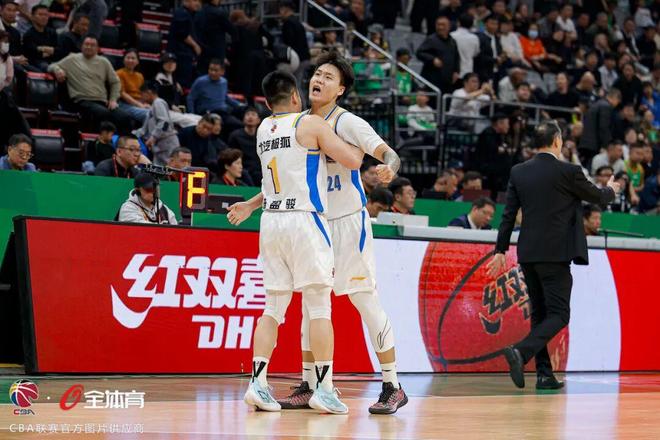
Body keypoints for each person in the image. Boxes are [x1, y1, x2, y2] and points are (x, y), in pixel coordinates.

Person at [228, 53, 407, 414]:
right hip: (314, 221)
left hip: (348, 222)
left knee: (363, 300)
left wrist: (390, 167)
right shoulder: (299, 122)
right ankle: (311, 384)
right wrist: (253, 203)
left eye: (328, 77)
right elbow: (284, 180)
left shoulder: (347, 121)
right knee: (312, 308)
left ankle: (392, 384)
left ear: (340, 89)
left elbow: (388, 154)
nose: (319, 80)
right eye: (317, 74)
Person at [488, 120, 619, 390]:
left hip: (528, 253)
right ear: (557, 141)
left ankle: (544, 374)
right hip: (556, 254)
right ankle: (521, 352)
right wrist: (612, 190)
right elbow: (598, 196)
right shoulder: (569, 171)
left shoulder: (519, 171)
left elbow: (508, 215)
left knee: (540, 314)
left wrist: (500, 249)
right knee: (559, 314)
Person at [48, 36, 132, 133]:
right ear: (82, 46)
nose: (89, 47)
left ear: (97, 48)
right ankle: (100, 140)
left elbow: (115, 82)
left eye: (92, 45)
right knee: (102, 113)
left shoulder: (104, 61)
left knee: (125, 117)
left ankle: (122, 141)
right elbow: (51, 66)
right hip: (81, 101)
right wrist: (57, 70)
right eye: (86, 44)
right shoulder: (72, 59)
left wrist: (113, 99)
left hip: (102, 101)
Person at [187, 59, 243, 133]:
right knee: (217, 126)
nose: (212, 72)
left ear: (222, 72)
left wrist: (240, 105)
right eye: (211, 69)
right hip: (208, 113)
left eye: (216, 70)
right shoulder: (200, 81)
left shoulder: (224, 82)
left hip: (223, 112)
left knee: (239, 125)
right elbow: (190, 98)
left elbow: (225, 97)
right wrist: (192, 115)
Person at [135, 81, 180, 165]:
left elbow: (164, 122)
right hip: (160, 145)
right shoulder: (154, 105)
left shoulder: (158, 102)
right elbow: (145, 129)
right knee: (159, 169)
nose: (141, 97)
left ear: (148, 92)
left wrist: (153, 137)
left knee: (170, 168)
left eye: (142, 94)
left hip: (167, 142)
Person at [0, 30, 30, 147]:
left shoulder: (7, 59)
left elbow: (9, 78)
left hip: (2, 92)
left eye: (7, 42)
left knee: (12, 110)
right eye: (3, 41)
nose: (5, 44)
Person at [416, 16, 460, 93]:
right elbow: (420, 53)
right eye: (438, 24)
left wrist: (456, 71)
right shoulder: (431, 39)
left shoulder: (452, 41)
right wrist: (433, 59)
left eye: (443, 25)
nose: (440, 27)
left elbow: (456, 57)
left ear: (449, 27)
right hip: (432, 79)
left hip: (447, 80)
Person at [579, 88, 622, 165]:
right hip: (594, 144)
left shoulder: (597, 104)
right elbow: (604, 127)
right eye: (618, 101)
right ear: (615, 98)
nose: (617, 105)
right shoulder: (606, 106)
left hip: (587, 143)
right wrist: (605, 145)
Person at [166, 0, 201, 88]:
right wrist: (195, 45)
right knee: (181, 83)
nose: (197, 3)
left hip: (184, 54)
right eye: (195, 0)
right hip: (180, 55)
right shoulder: (182, 14)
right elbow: (183, 34)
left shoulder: (189, 14)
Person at [194, 0, 235, 75]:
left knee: (203, 73)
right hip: (217, 49)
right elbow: (232, 30)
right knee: (217, 73)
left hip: (202, 47)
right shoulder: (220, 13)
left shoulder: (199, 12)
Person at [225, 106, 260, 184]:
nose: (250, 117)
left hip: (259, 170)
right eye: (247, 114)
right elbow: (231, 156)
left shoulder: (262, 136)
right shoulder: (235, 136)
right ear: (243, 119)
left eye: (253, 114)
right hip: (243, 170)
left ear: (258, 120)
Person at [279, 1, 310, 83]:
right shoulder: (297, 22)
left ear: (286, 9)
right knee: (296, 84)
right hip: (304, 57)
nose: (280, 13)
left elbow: (289, 42)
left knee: (293, 84)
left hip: (297, 58)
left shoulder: (288, 23)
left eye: (281, 10)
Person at [116, 49, 149, 123]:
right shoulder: (119, 73)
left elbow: (143, 93)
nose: (130, 60)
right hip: (124, 104)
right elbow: (122, 94)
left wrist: (145, 104)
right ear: (124, 60)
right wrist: (139, 105)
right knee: (149, 114)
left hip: (139, 103)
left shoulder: (140, 76)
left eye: (133, 58)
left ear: (137, 61)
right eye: (128, 58)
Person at [22, 5, 58, 72]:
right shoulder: (28, 35)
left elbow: (57, 50)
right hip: (37, 63)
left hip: (53, 61)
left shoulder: (52, 32)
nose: (44, 17)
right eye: (40, 14)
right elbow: (34, 54)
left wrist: (41, 48)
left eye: (46, 15)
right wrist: (50, 51)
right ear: (32, 17)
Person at [450, 13, 480, 78]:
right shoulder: (474, 38)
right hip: (468, 70)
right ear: (471, 25)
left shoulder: (451, 36)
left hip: (453, 72)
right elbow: (476, 53)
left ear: (458, 23)